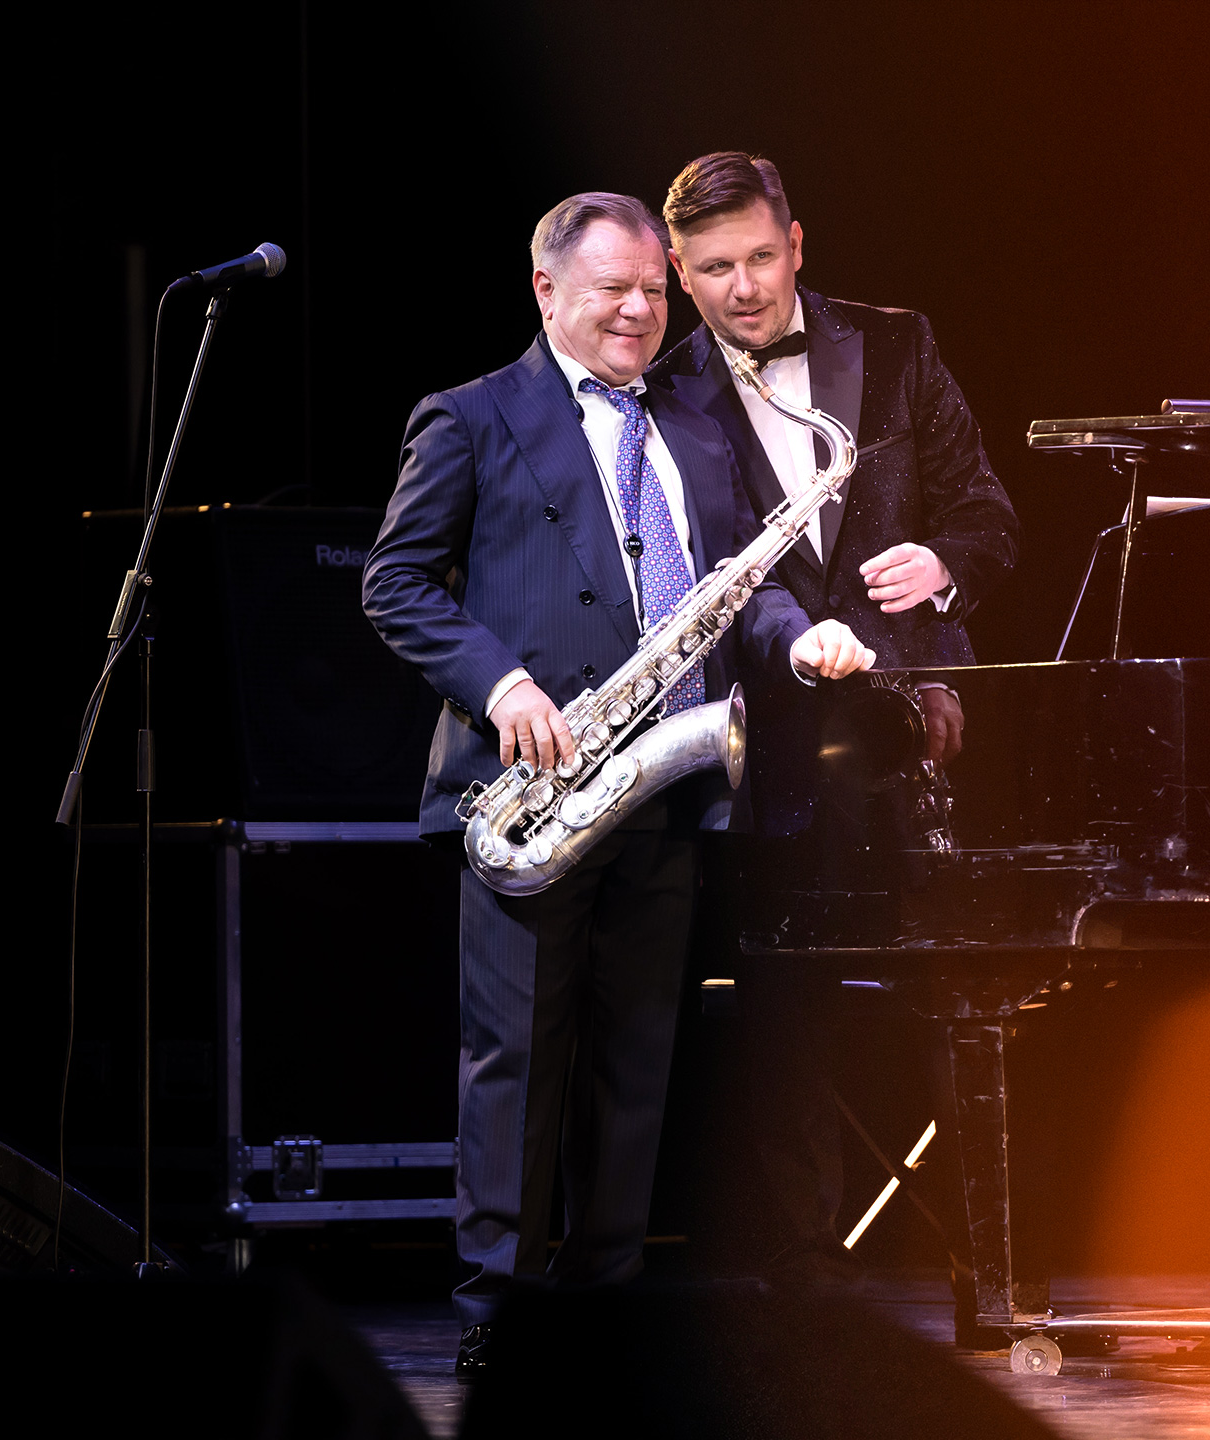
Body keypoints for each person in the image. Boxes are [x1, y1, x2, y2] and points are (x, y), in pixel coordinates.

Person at [362, 191, 874, 1377]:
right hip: (534, 792)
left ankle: (603, 1314)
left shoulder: (692, 423)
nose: (643, 310)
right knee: (516, 1064)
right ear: (547, 291)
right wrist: (501, 686)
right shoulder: (471, 415)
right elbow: (396, 583)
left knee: (635, 1066)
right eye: (614, 290)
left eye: (654, 288)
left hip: (662, 790)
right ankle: (496, 1318)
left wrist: (798, 639)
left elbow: (740, 581)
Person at [646, 153, 1018, 1324]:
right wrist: (791, 642)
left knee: (959, 995)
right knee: (782, 1006)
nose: (746, 288)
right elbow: (698, 572)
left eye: (763, 257)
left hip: (916, 727)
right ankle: (806, 1272)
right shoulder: (665, 390)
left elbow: (989, 515)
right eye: (715, 268)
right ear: (678, 273)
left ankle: (993, 1268)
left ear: (798, 243)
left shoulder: (897, 346)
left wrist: (945, 565)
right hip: (767, 741)